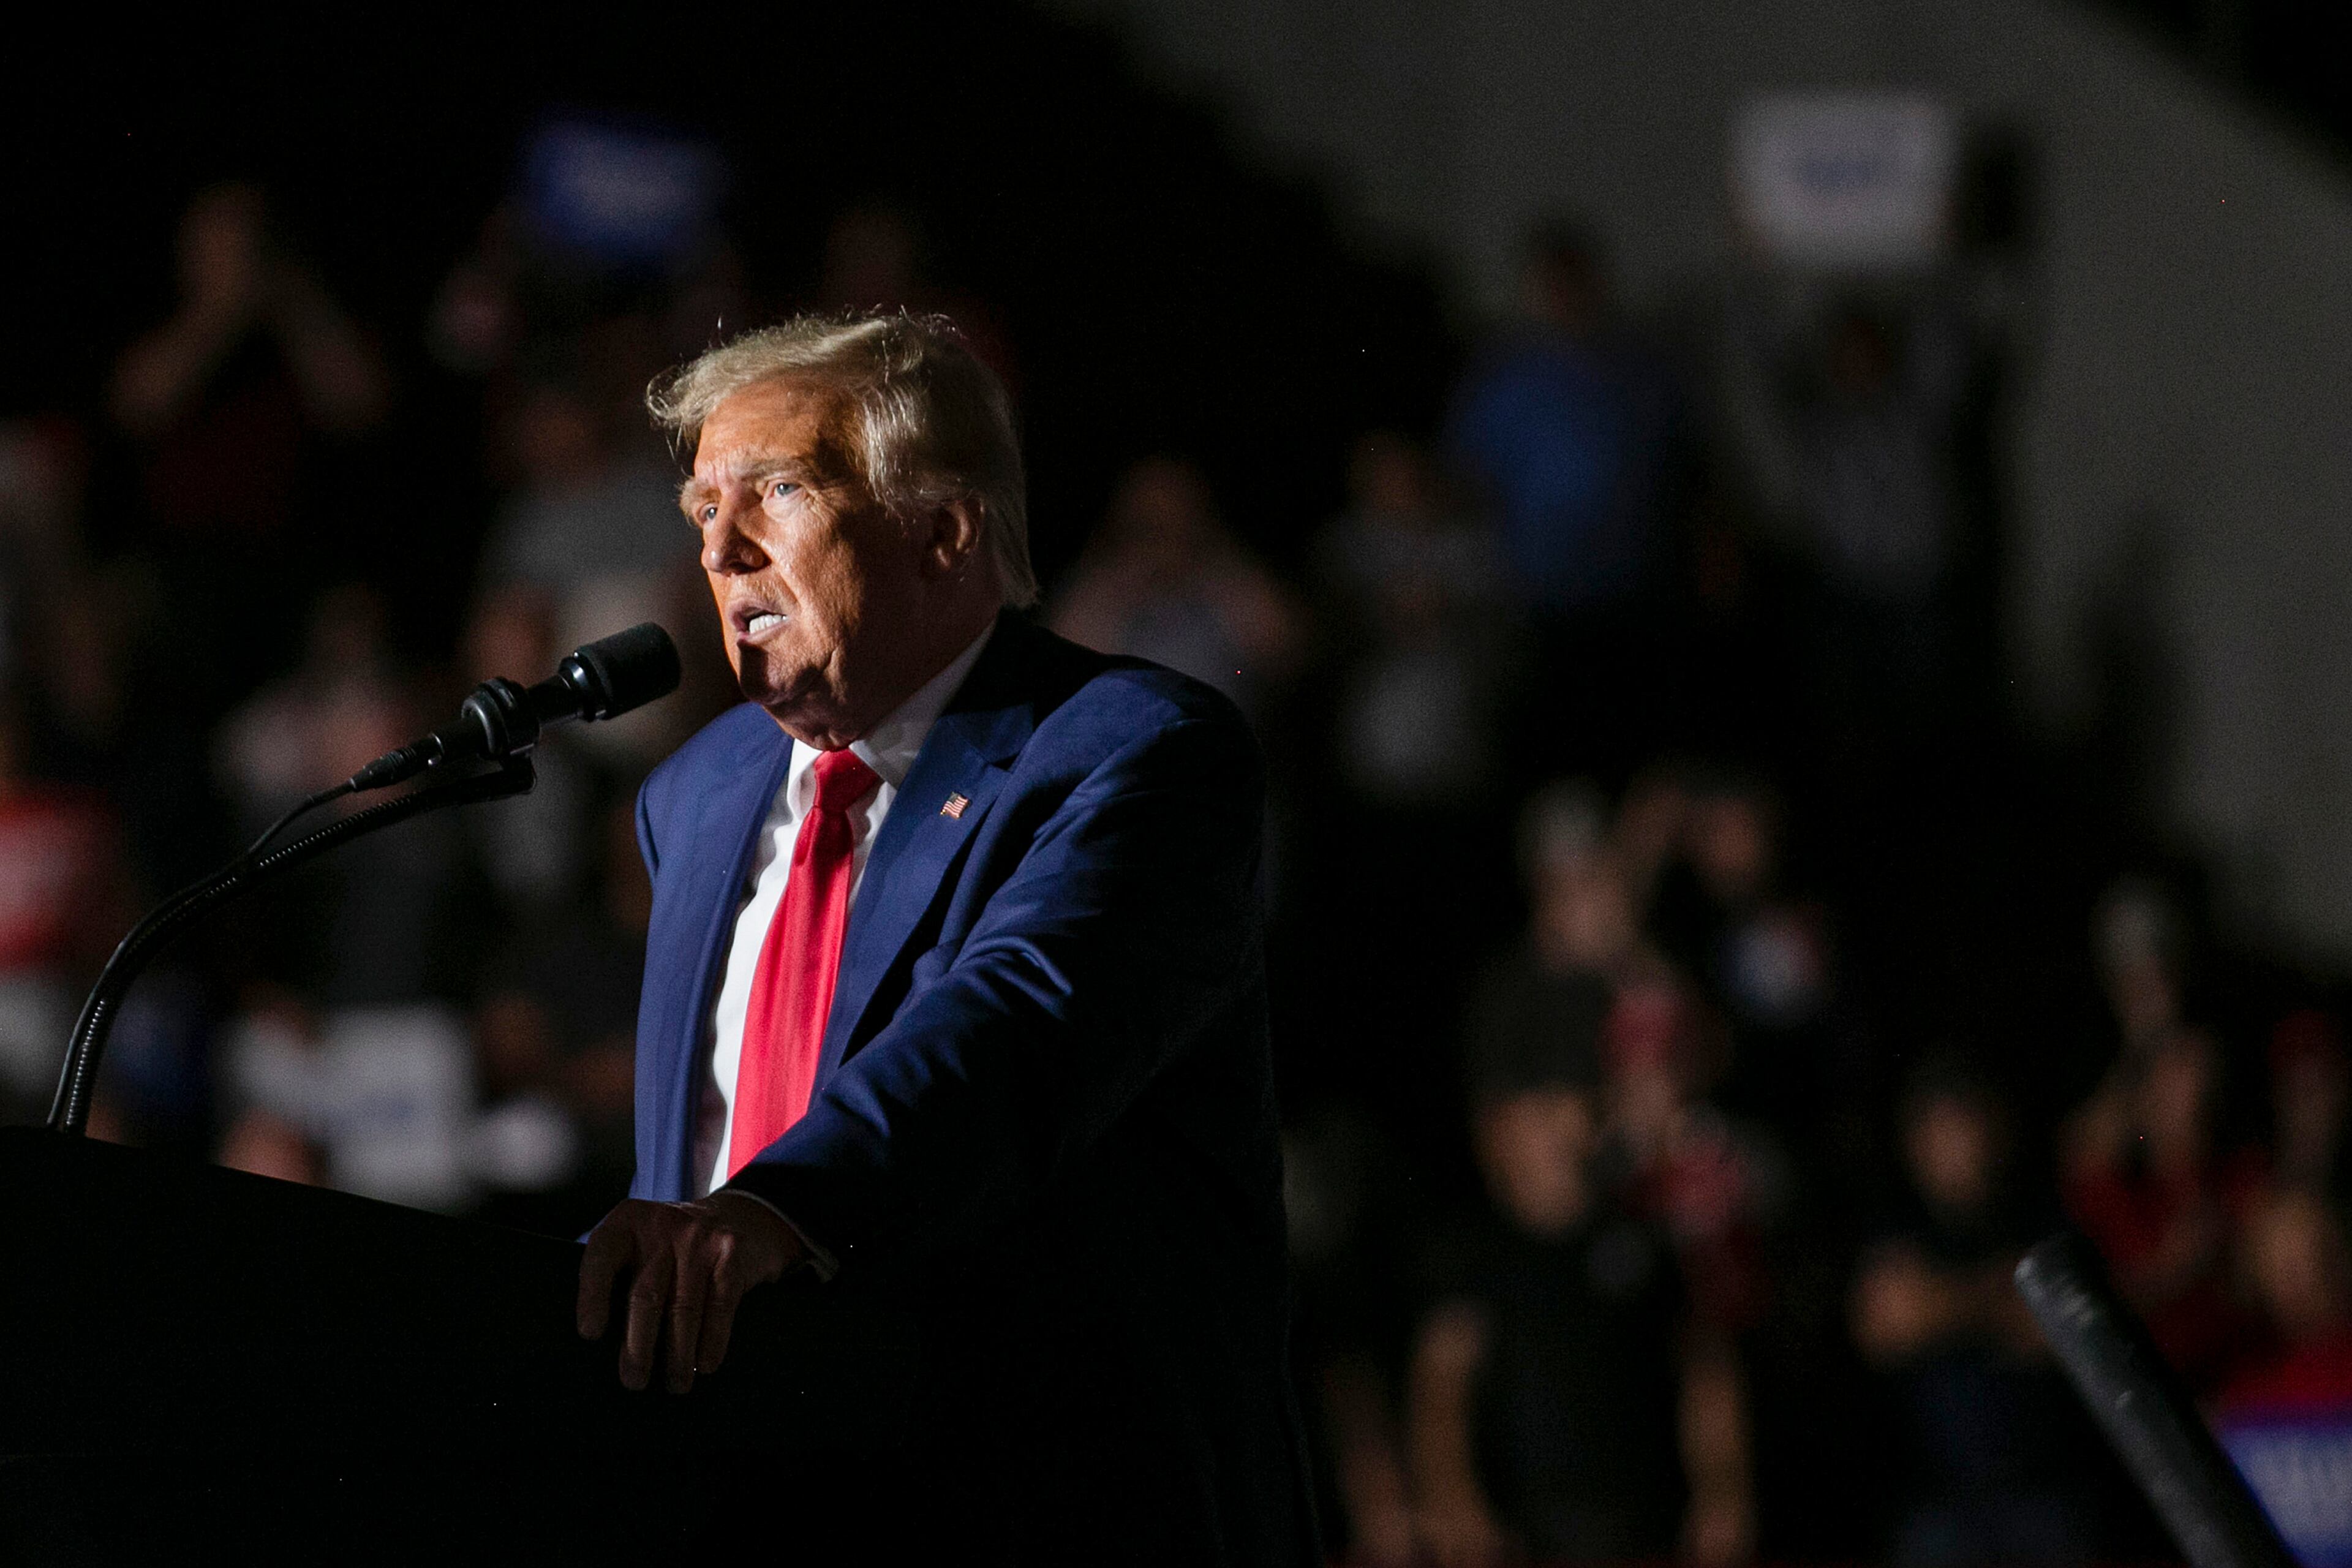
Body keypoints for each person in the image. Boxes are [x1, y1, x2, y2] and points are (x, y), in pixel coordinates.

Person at [573, 312, 1317, 1564]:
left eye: (779, 492)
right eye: (703, 505)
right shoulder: (688, 798)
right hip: (750, 1501)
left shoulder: (1135, 751)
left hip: (1046, 1498)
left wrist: (775, 1210)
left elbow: (1014, 1026)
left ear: (944, 529)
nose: (721, 546)